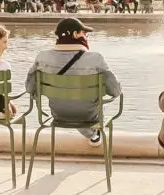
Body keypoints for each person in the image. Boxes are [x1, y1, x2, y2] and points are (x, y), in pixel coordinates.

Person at [25, 17, 121, 146]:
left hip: (58, 114)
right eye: (84, 33)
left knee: (70, 101)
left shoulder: (42, 57)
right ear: (75, 34)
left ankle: (92, 134)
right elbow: (115, 91)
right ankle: (93, 133)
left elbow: (29, 88)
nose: (86, 37)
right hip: (89, 117)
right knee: (91, 103)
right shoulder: (95, 58)